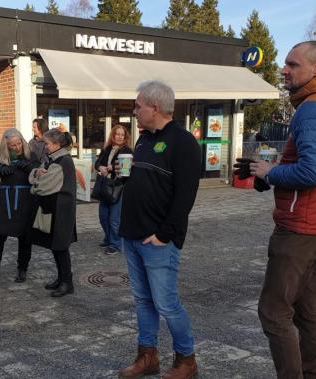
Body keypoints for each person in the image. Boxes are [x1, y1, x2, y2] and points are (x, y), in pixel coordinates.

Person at [238, 41, 316, 378]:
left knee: (273, 312)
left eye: (293, 64)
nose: (284, 70)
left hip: (301, 226)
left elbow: (314, 172)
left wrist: (269, 172)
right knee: (307, 310)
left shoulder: (315, 107)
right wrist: (272, 168)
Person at [117, 81, 201, 379]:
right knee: (143, 300)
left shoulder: (183, 142)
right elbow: (141, 184)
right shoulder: (142, 140)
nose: (134, 111)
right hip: (133, 235)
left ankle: (186, 360)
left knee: (166, 303)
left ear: (154, 107)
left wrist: (165, 234)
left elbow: (185, 195)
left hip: (158, 240)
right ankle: (147, 357)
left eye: (138, 105)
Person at [29, 128, 77, 297]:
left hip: (61, 210)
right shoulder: (52, 159)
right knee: (55, 246)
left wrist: (35, 183)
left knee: (61, 247)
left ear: (57, 144)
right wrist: (37, 173)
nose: (45, 147)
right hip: (55, 209)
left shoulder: (62, 161)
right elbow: (35, 175)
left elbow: (43, 187)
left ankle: (67, 283)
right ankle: (62, 278)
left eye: (47, 144)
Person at [0, 128, 39, 282]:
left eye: (18, 144)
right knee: (0, 236)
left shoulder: (31, 154)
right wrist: (1, 168)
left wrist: (29, 167)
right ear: (6, 146)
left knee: (24, 237)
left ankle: (22, 268)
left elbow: (39, 171)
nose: (17, 147)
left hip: (25, 200)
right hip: (5, 200)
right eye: (12, 145)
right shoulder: (2, 155)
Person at [94, 124, 132, 255]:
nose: (120, 137)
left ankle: (115, 244)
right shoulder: (107, 148)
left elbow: (126, 172)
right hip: (105, 186)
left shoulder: (127, 151)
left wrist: (112, 168)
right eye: (118, 134)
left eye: (122, 135)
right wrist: (101, 168)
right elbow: (97, 163)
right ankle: (108, 238)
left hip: (118, 187)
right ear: (113, 135)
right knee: (103, 216)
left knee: (114, 219)